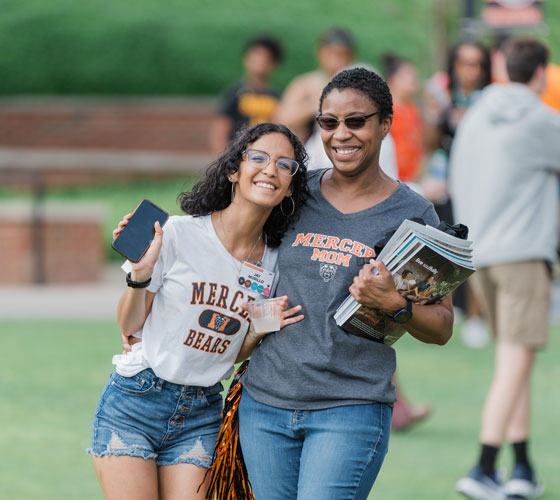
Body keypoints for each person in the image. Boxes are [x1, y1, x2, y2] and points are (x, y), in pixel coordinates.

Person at [239, 67, 453, 500]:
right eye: (329, 122)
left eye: (356, 121)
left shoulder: (412, 215)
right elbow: (242, 257)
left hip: (349, 408)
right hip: (264, 404)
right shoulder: (295, 193)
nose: (341, 135)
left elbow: (443, 326)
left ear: (385, 124)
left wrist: (396, 302)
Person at [87, 122, 308, 500]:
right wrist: (140, 274)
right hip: (137, 399)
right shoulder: (177, 233)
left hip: (202, 410)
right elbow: (129, 325)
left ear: (290, 186)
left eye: (285, 164)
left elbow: (232, 350)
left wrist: (255, 331)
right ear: (233, 170)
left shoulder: (276, 264)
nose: (271, 169)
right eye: (259, 158)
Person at [451, 37, 560, 500]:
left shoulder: (475, 116)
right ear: (540, 73)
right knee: (515, 362)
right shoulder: (541, 120)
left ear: (501, 67)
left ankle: (521, 468)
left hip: (482, 257)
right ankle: (483, 466)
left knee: (512, 363)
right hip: (523, 255)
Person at [423, 40, 491, 348]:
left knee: (475, 247)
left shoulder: (490, 100)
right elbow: (431, 142)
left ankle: (476, 317)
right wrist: (435, 113)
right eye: (463, 62)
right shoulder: (442, 94)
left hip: (478, 181)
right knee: (442, 246)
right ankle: (440, 310)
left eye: (475, 64)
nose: (469, 70)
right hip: (443, 181)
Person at [209, 36, 284, 154]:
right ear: (246, 58)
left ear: (274, 64)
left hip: (265, 154)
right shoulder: (235, 93)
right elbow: (220, 128)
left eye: (266, 57)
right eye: (256, 55)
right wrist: (222, 160)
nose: (260, 61)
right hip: (237, 155)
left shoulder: (276, 97)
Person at [382, 53, 424, 185]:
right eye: (407, 75)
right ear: (392, 79)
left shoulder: (413, 110)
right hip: (390, 179)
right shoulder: (384, 110)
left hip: (411, 180)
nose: (413, 79)